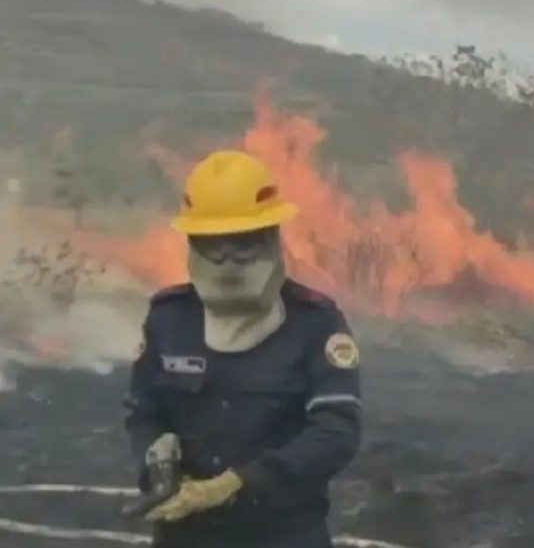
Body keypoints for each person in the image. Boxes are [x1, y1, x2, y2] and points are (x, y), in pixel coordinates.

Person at [123, 150, 363, 548]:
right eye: (213, 245)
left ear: (271, 237)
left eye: (243, 243)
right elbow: (144, 413)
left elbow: (336, 432)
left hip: (282, 535)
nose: (228, 261)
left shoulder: (314, 323)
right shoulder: (169, 319)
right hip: (186, 535)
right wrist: (158, 464)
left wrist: (234, 485)